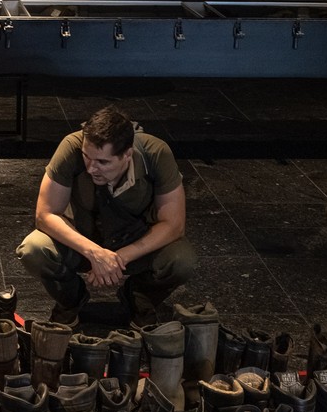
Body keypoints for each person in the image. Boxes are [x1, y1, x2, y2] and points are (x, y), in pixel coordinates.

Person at [16, 104, 195, 325]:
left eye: (103, 162)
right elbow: (45, 215)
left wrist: (118, 258)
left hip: (135, 241)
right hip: (81, 240)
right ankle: (70, 300)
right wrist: (94, 253)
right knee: (33, 249)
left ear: (127, 155)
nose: (91, 168)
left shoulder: (155, 153)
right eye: (87, 157)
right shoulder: (71, 147)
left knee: (182, 261)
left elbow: (174, 224)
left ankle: (140, 298)